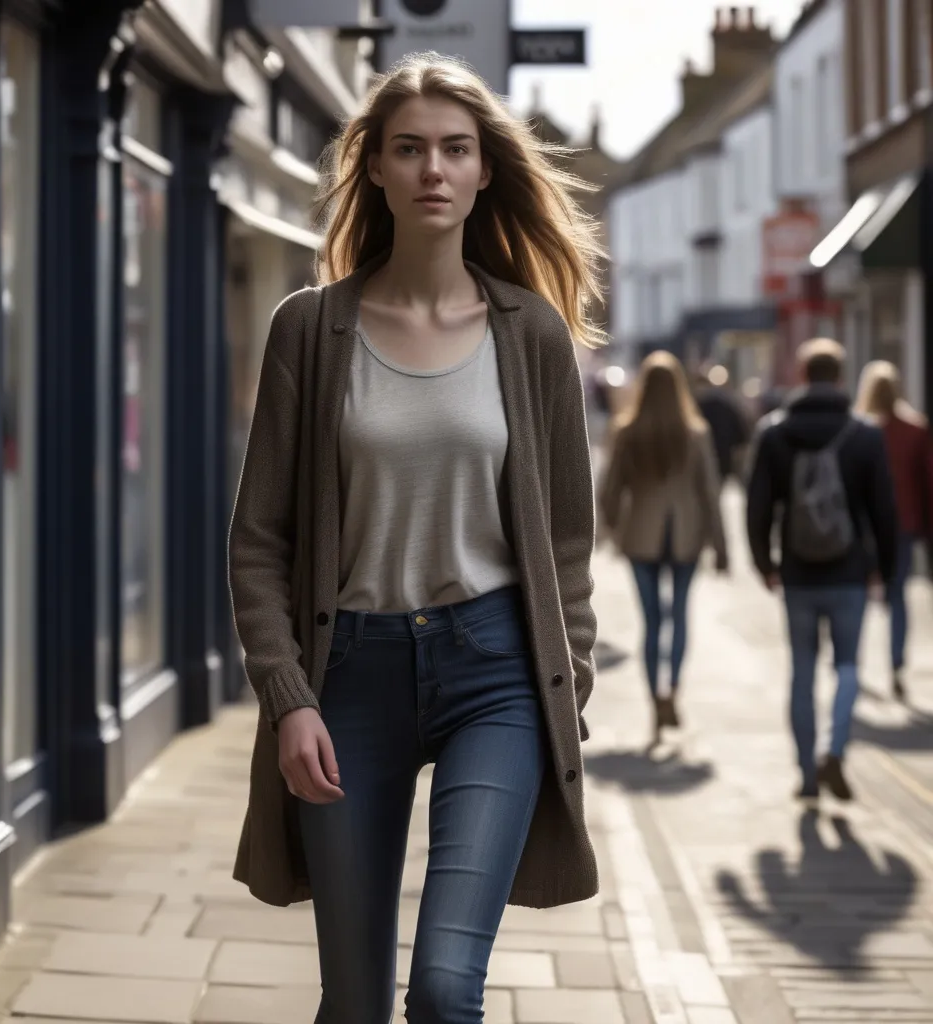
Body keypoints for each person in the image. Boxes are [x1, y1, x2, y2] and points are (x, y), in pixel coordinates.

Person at [228, 52, 604, 1024]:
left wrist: (573, 679)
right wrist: (288, 697)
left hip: (497, 674)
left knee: (443, 989)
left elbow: (566, 544)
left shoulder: (533, 338)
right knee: (354, 1003)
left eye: (454, 148)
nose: (433, 168)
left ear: (484, 170)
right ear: (379, 171)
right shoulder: (308, 331)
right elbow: (259, 540)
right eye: (409, 149)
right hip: (347, 672)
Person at [746, 339, 897, 802]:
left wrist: (764, 565)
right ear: (839, 376)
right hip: (850, 572)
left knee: (803, 672)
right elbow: (883, 512)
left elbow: (758, 507)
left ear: (803, 374)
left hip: (797, 574)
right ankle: (836, 751)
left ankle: (807, 776)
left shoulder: (775, 432)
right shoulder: (865, 434)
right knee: (849, 667)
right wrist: (884, 571)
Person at [601, 351, 728, 741]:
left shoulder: (627, 430)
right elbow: (710, 492)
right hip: (687, 535)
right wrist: (722, 547)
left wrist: (609, 527)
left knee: (652, 622)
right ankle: (673, 689)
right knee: (681, 617)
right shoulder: (696, 432)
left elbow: (609, 490)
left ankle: (654, 699)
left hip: (641, 536)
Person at [855, 360, 933, 701]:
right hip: (903, 523)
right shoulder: (915, 429)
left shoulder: (859, 430)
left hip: (865, 526)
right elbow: (928, 483)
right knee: (897, 596)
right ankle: (897, 665)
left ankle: (849, 664)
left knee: (857, 596)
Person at [695, 365, 752, 482]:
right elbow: (741, 434)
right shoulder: (730, 405)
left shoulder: (701, 403)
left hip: (705, 456)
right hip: (724, 457)